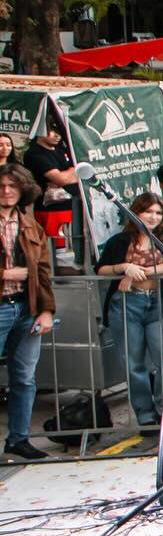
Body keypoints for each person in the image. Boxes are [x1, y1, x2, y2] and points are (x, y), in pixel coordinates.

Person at [95, 191, 163, 429]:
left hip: (156, 302)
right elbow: (101, 269)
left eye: (158, 212)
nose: (153, 217)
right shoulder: (120, 240)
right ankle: (145, 415)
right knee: (134, 364)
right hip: (126, 303)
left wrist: (140, 273)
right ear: (135, 213)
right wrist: (124, 268)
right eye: (147, 211)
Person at [0, 164, 57, 460]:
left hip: (26, 307)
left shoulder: (30, 224)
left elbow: (43, 272)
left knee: (24, 378)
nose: (7, 191)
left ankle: (18, 439)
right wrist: (6, 274)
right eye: (1, 186)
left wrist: (46, 310)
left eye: (13, 186)